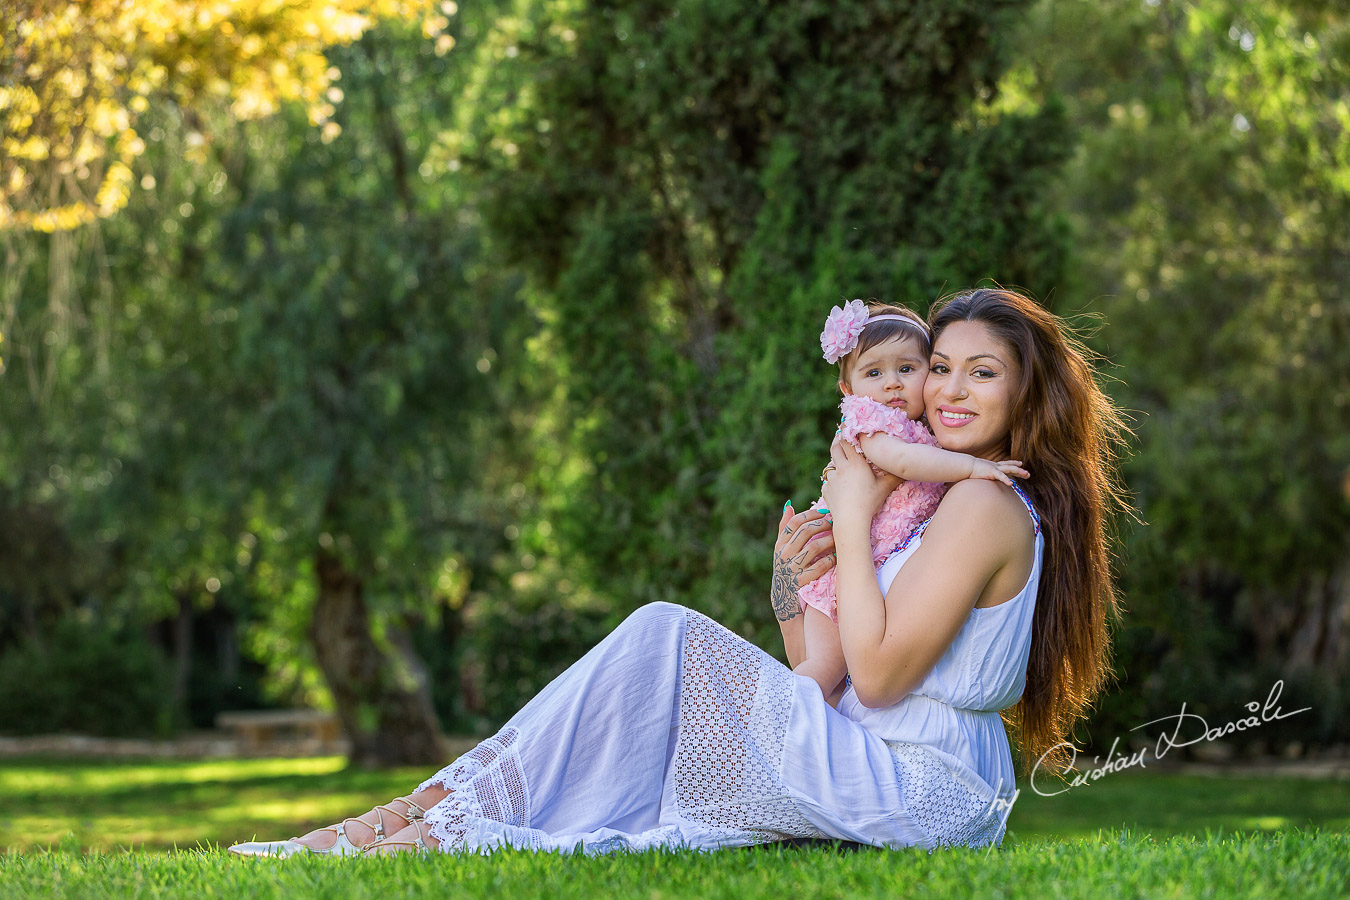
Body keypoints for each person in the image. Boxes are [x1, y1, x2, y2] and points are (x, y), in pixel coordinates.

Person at [228, 287, 1129, 857]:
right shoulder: (939, 504)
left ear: (1026, 395)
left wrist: (851, 524)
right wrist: (794, 581)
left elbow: (887, 679)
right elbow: (832, 670)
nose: (950, 390)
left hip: (922, 785)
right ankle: (416, 817)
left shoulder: (985, 501)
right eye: (940, 368)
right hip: (876, 750)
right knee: (663, 641)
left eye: (984, 373)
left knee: (664, 632)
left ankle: (422, 821)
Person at [796, 298, 1027, 707]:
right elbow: (904, 461)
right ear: (849, 390)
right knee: (821, 676)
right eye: (942, 368)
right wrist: (785, 582)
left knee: (823, 676)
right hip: (832, 577)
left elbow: (871, 685)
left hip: (915, 751)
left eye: (908, 368)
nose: (893, 384)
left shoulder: (982, 502)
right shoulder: (877, 426)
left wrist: (851, 515)